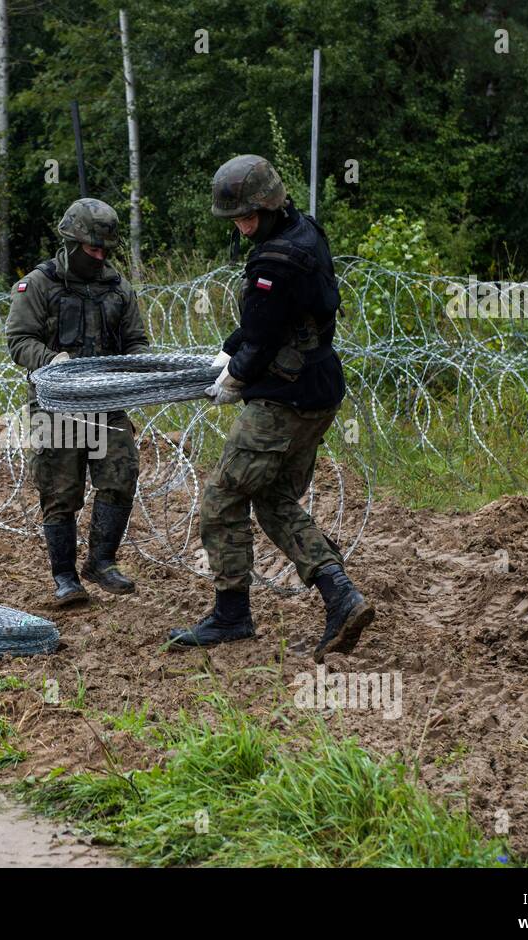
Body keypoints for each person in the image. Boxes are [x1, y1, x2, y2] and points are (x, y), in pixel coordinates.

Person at [168, 155, 375, 662]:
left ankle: (232, 614)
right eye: (235, 218)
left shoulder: (273, 262)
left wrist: (234, 377)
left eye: (245, 216)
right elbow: (278, 321)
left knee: (222, 500)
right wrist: (229, 347)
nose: (240, 225)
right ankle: (340, 595)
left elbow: (262, 339)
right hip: (318, 389)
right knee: (275, 500)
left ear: (267, 205)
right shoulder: (306, 232)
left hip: (281, 399)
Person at [5, 198, 149, 606]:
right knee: (60, 490)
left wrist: (138, 366)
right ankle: (65, 577)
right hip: (55, 407)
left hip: (107, 404)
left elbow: (135, 340)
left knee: (121, 476)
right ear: (71, 242)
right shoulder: (38, 284)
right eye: (93, 249)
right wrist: (53, 362)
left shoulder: (118, 288)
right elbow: (19, 340)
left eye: (105, 249)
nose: (100, 256)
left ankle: (101, 561)